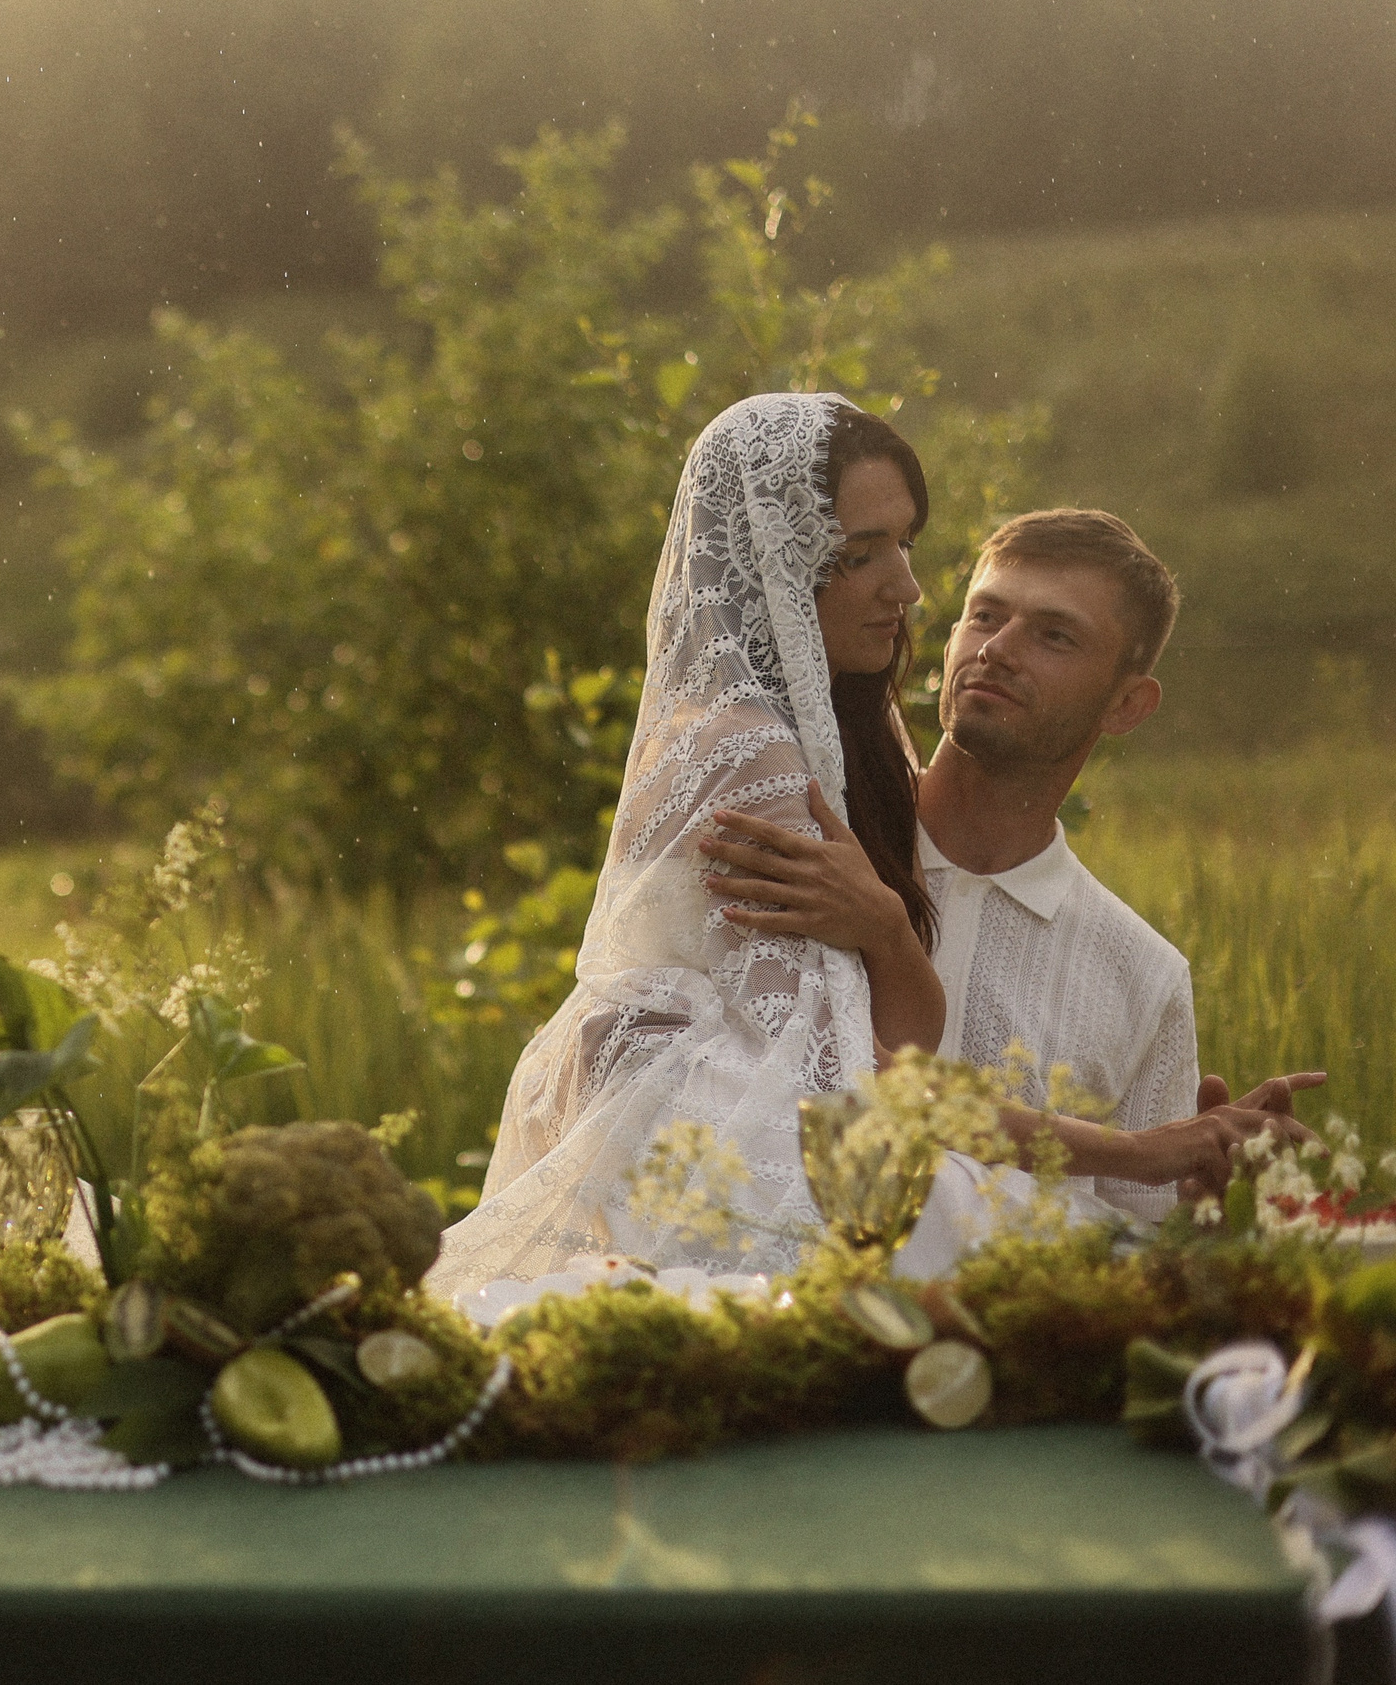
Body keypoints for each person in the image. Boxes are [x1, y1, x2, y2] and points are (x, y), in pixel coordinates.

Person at [696, 507, 1319, 1274]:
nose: (996, 650)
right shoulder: (814, 833)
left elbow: (1142, 1245)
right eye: (985, 615)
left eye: (1054, 635)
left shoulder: (1144, 976)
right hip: (749, 1309)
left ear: (1127, 704)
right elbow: (758, 1074)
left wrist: (1203, 1202)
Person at [428, 391, 944, 1293]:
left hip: (673, 1157)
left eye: (906, 544)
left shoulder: (796, 730)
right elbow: (858, 1078)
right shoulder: (754, 752)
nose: (905, 587)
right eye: (860, 555)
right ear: (771, 566)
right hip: (706, 1189)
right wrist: (891, 932)